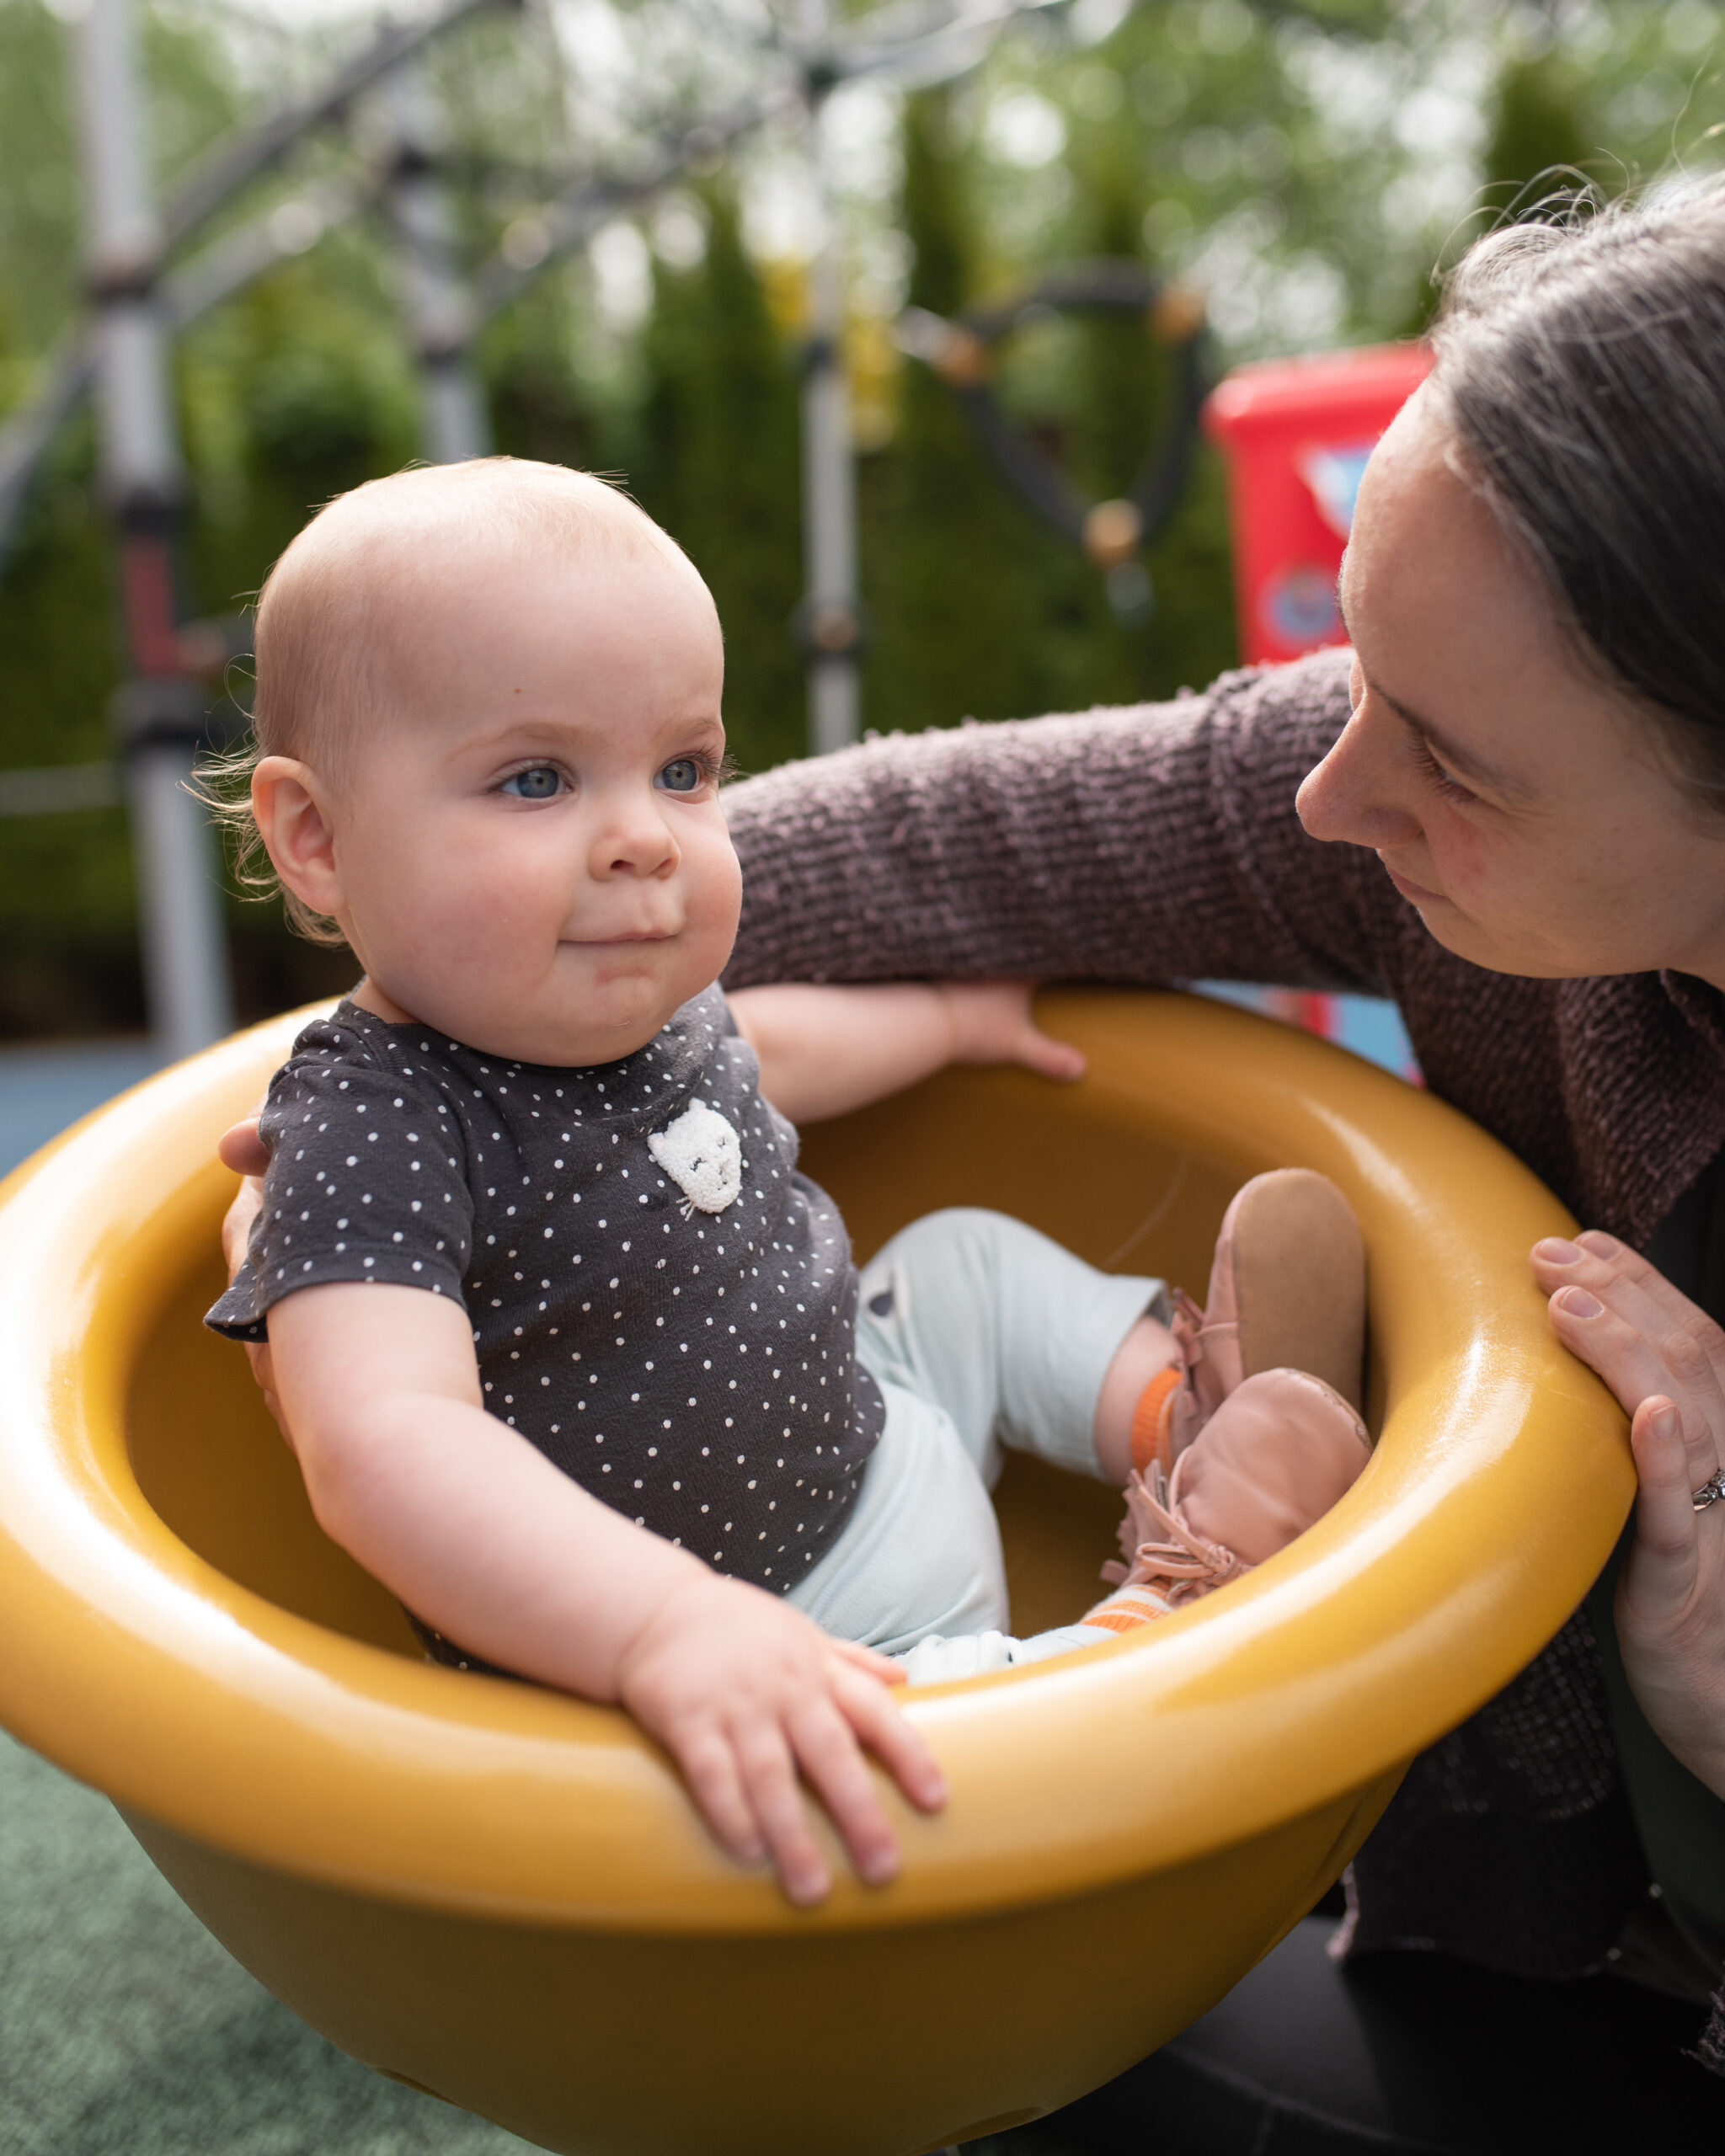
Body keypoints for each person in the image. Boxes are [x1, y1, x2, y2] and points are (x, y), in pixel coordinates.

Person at [712, 181, 1725, 2140]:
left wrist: (1705, 1717)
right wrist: (450, 1007)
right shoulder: (1413, 815)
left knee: (885, 2045)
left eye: (1447, 762)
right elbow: (965, 833)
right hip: (1471, 1906)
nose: (1330, 792)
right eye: (1350, 675)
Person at [206, 456, 1371, 1911]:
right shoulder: (372, 1125)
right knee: (932, 1752)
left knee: (965, 1269)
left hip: (870, 1402)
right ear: (316, 838)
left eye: (683, 769)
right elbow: (383, 1444)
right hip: (782, 1634)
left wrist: (949, 1024)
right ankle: (1167, 1617)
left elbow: (767, 1050)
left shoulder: (628, 996)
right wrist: (665, 1632)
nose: (645, 836)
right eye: (535, 778)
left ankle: (1182, 1425)